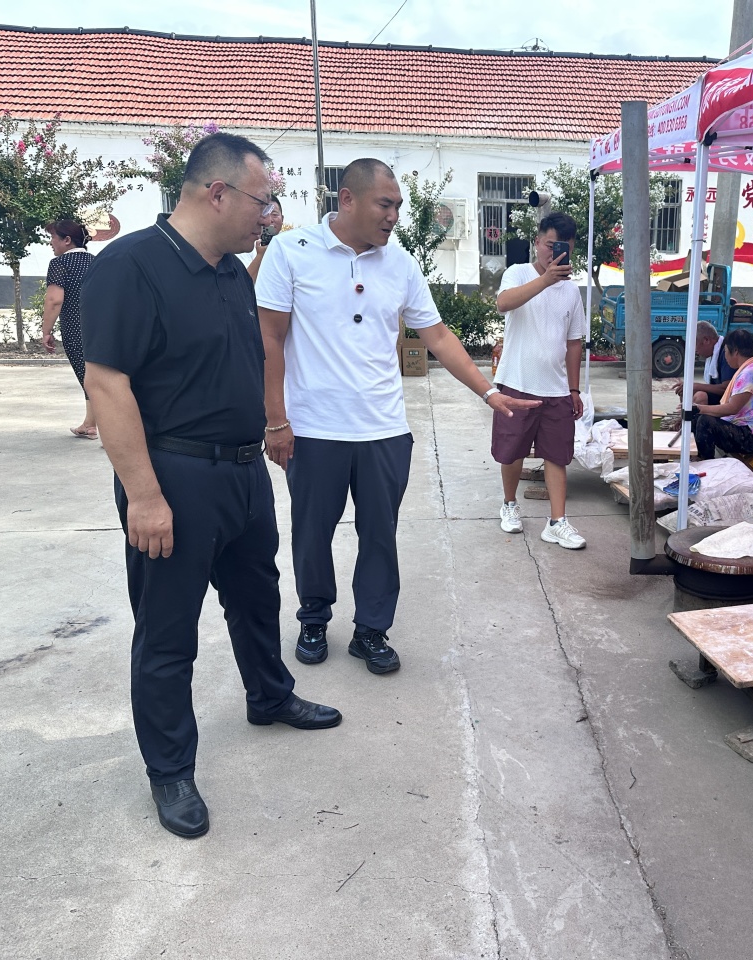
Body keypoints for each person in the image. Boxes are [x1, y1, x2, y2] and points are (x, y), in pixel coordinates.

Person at [81, 132, 342, 840]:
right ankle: (170, 769)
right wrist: (144, 496)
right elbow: (107, 384)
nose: (270, 215)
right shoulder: (131, 266)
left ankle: (269, 695)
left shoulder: (229, 271)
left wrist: (272, 431)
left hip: (242, 471)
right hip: (174, 476)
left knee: (257, 598)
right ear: (217, 193)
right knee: (168, 631)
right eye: (264, 201)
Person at [255, 158, 538, 672]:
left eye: (398, 207)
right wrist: (276, 421)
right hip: (314, 428)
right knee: (312, 533)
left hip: (383, 429)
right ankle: (314, 617)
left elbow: (438, 336)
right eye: (385, 205)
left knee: (380, 535)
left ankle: (371, 629)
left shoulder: (401, 264)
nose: (394, 217)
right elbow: (269, 338)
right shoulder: (291, 252)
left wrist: (488, 392)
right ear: (347, 199)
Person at [492, 211, 588, 549]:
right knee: (511, 452)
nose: (555, 253)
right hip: (517, 382)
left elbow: (574, 343)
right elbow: (503, 303)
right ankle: (509, 504)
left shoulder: (572, 291)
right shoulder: (517, 273)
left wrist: (574, 389)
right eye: (550, 245)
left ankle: (557, 522)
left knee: (557, 455)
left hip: (557, 388)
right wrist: (545, 280)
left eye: (564, 248)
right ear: (537, 242)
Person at [41, 220, 96, 438]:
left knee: (88, 377)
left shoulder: (60, 263)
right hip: (102, 325)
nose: (50, 242)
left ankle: (111, 429)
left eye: (53, 237)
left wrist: (46, 331)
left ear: (66, 240)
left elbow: (54, 300)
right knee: (96, 374)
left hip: (75, 326)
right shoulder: (96, 261)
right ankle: (90, 424)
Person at [688, 327, 753, 459]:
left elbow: (732, 408)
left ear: (736, 352)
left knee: (705, 421)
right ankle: (693, 456)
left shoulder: (749, 373)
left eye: (726, 351)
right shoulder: (749, 369)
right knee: (698, 417)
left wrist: (700, 408)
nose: (726, 356)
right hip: (744, 428)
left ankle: (705, 463)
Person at [673, 320, 736, 404]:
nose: (695, 350)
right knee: (686, 391)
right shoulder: (714, 352)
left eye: (695, 344)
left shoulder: (726, 353)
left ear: (706, 340)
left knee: (700, 396)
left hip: (730, 400)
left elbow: (727, 388)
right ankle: (684, 411)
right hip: (720, 397)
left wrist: (695, 386)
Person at [245, 194, 284, 284]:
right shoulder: (246, 246)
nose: (269, 220)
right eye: (264, 214)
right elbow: (242, 284)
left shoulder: (288, 246)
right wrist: (261, 255)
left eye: (274, 214)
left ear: (282, 219)